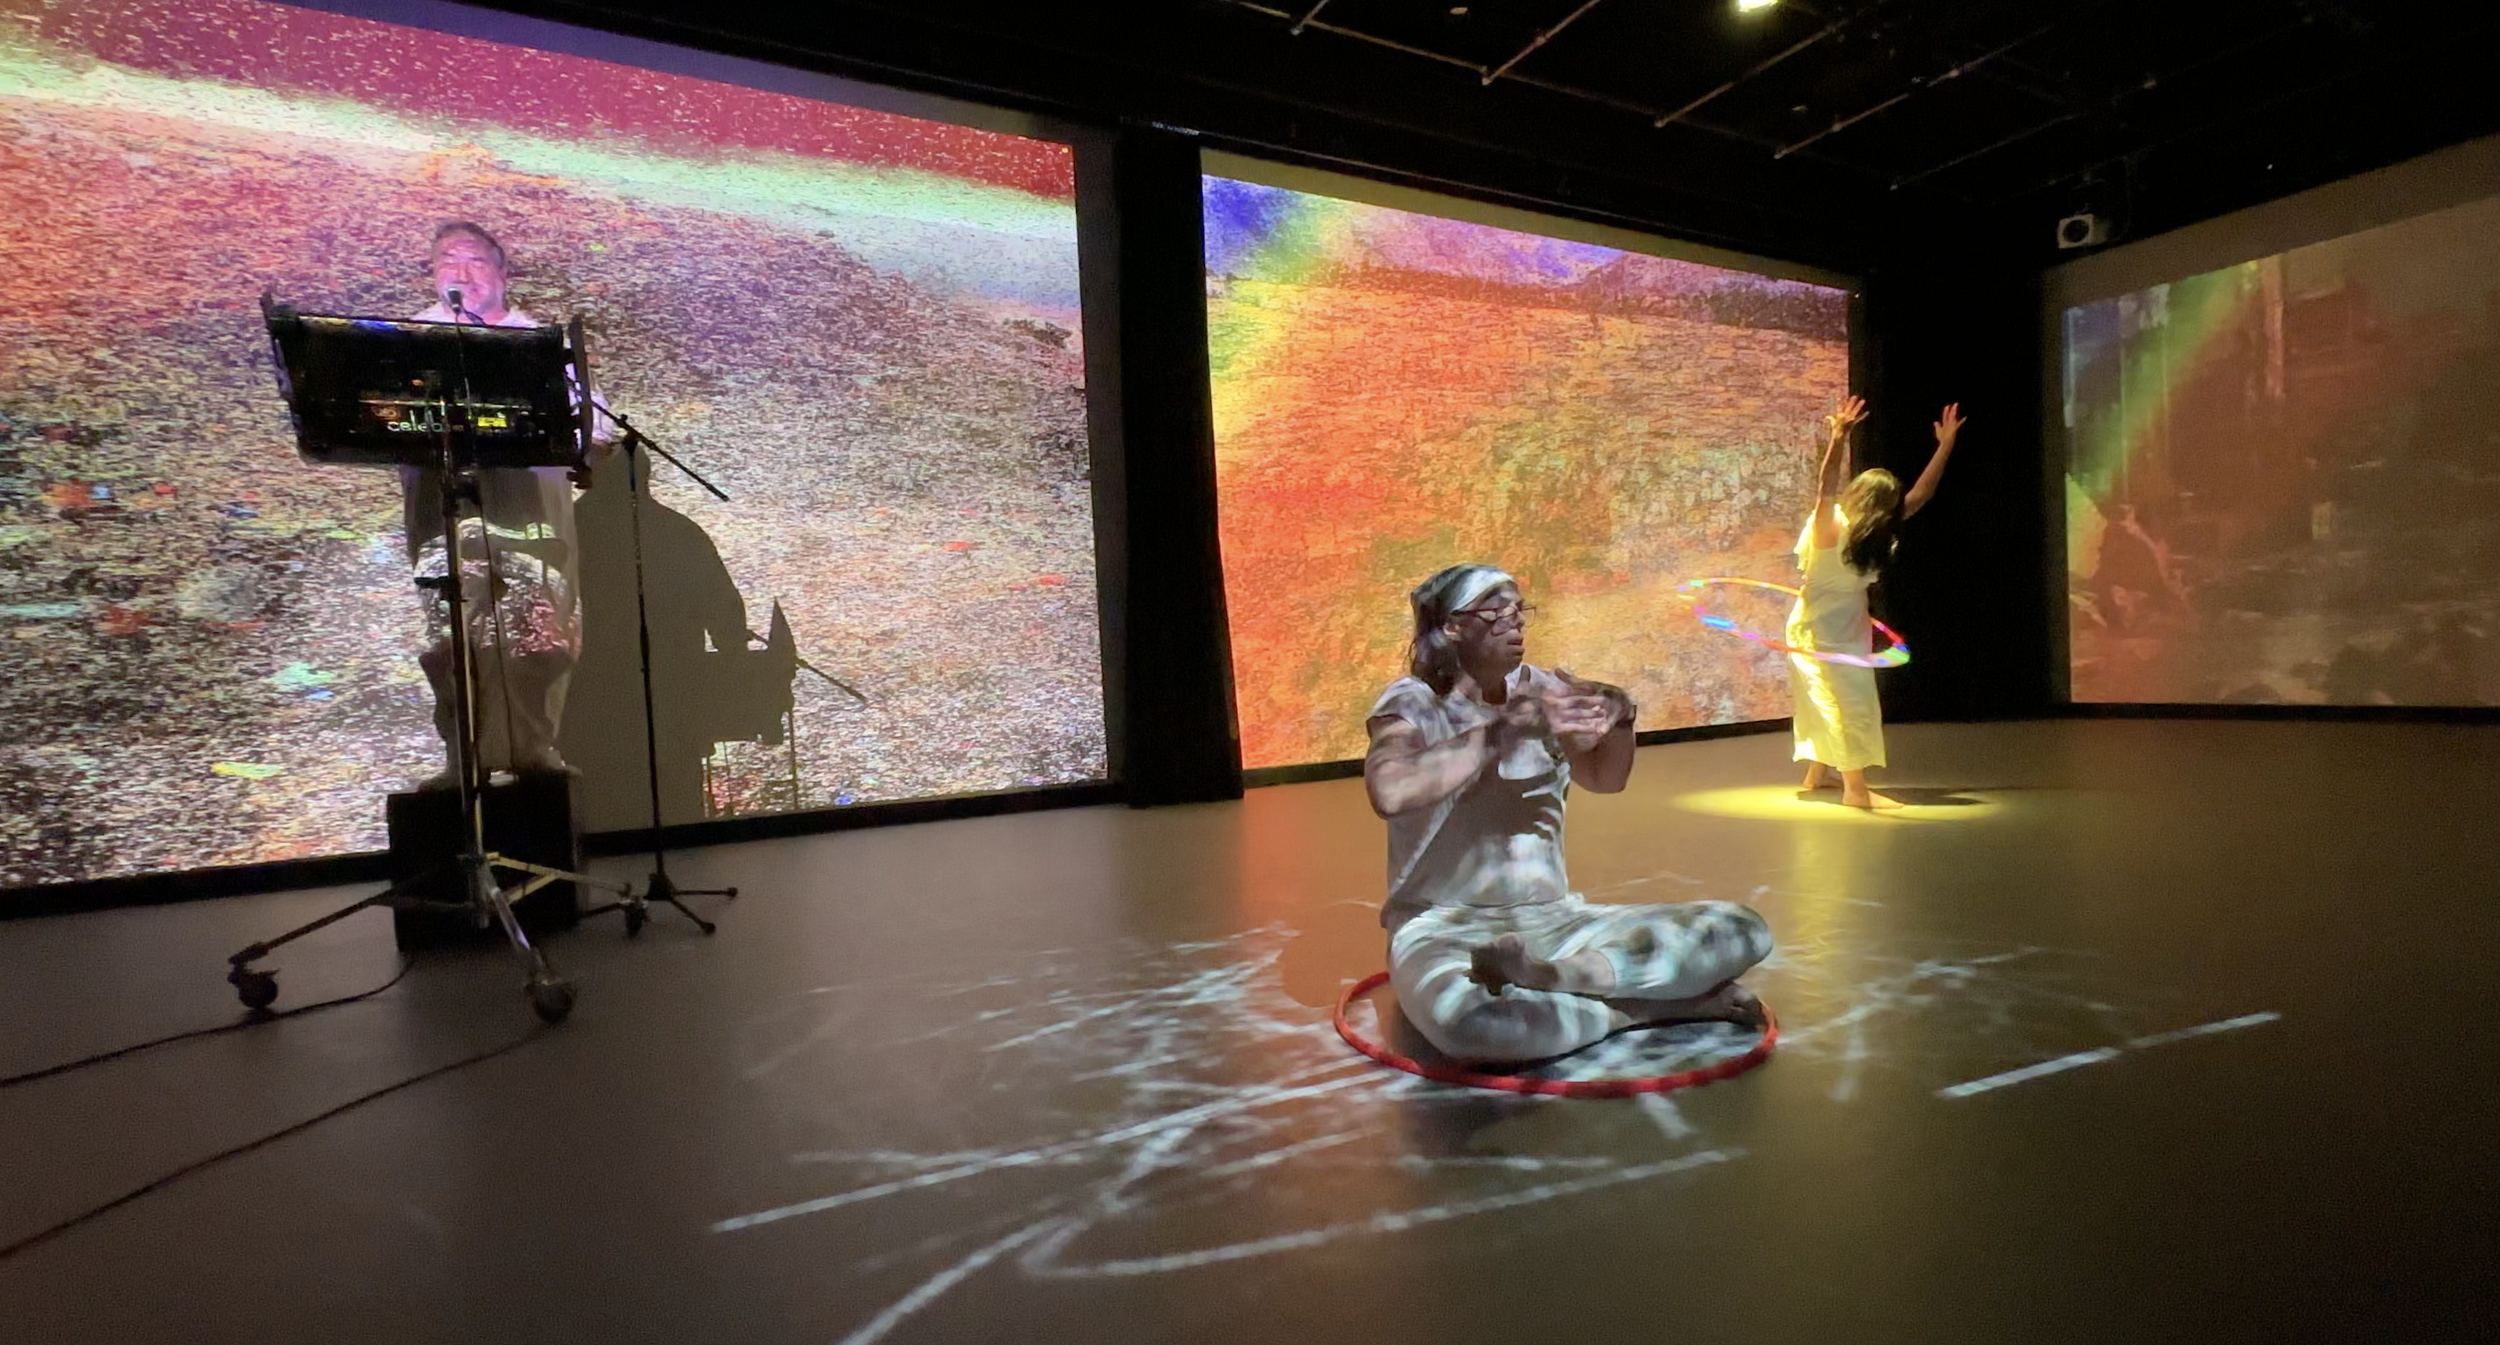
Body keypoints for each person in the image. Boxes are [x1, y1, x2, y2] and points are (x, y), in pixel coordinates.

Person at [1362, 563, 1773, 1065]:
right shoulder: (1414, 701)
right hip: (1444, 927)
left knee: (1741, 928)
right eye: (1495, 612)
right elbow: (1391, 790)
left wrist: (1621, 719)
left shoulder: (1541, 689)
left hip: (1558, 921)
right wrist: (1508, 728)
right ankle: (1647, 1008)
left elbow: (1604, 778)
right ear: (1452, 626)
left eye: (1519, 610)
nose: (1514, 622)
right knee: (1481, 1027)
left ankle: (1552, 979)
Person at [401, 220, 610, 787]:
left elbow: (597, 428)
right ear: (431, 274)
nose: (460, 274)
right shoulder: (406, 339)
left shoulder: (533, 341)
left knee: (536, 621)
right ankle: (463, 758)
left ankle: (531, 749)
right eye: (448, 262)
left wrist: (583, 443)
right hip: (440, 496)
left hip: (527, 501)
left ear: (502, 275)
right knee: (452, 622)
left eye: (474, 263)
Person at [1790, 396, 1965, 809]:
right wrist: (1945, 446)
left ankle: (1822, 776)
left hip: (1834, 627)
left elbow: (1826, 487)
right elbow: (1920, 494)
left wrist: (1840, 436)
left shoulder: (1838, 527)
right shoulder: (1861, 532)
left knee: (1837, 699)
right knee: (1839, 702)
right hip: (1823, 630)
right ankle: (1855, 790)